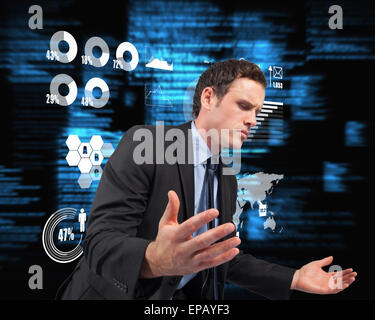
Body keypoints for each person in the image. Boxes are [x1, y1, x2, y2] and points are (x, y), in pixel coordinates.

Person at [57, 59, 356, 300]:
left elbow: (219, 256)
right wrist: (154, 259)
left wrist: (293, 278)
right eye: (244, 106)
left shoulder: (227, 180)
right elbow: (99, 243)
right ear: (209, 98)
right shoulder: (146, 143)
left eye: (257, 111)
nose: (253, 120)